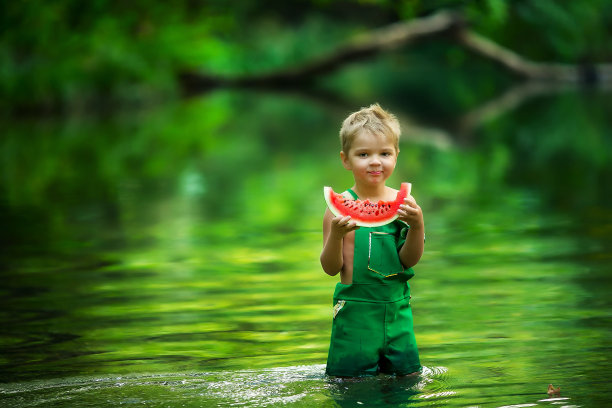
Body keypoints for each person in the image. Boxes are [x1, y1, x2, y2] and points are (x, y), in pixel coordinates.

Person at [321, 103, 424, 377]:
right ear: (346, 159)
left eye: (384, 153)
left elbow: (408, 260)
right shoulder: (337, 207)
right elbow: (330, 268)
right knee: (350, 385)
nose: (375, 161)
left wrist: (417, 226)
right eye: (364, 154)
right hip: (356, 316)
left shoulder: (405, 205)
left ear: (396, 156)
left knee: (408, 380)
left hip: (397, 311)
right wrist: (337, 234)